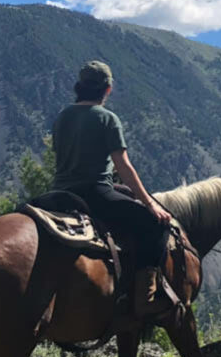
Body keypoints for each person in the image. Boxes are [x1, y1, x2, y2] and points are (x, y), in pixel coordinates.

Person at [50, 60, 174, 317]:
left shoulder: (63, 116)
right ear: (107, 90)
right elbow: (124, 167)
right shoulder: (107, 118)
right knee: (157, 226)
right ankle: (145, 298)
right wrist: (151, 205)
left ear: (79, 88)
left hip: (57, 194)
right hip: (94, 194)